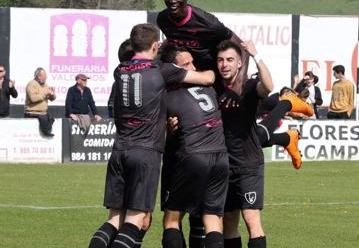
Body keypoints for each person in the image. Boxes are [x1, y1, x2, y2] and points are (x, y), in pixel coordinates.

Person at [88, 23, 215, 248]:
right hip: (145, 152)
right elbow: (206, 80)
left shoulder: (120, 70)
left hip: (119, 151)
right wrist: (210, 68)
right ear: (155, 45)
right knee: (135, 220)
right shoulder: (161, 70)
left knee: (114, 219)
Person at [216, 40, 311, 248]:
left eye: (230, 60)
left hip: (248, 163)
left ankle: (288, 107)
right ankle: (288, 129)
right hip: (224, 164)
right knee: (229, 223)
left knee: (251, 220)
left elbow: (268, 85)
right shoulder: (214, 87)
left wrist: (256, 55)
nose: (225, 64)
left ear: (240, 63)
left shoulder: (248, 87)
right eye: (221, 60)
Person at [159, 45, 229, 248]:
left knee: (172, 219)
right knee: (213, 219)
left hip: (192, 156)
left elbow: (160, 135)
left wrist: (168, 130)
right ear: (175, 69)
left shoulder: (166, 93)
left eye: (192, 62)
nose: (192, 67)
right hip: (220, 157)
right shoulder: (208, 86)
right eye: (186, 64)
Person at [156, 0, 249, 97]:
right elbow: (175, 40)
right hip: (188, 76)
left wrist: (238, 84)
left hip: (213, 77)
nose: (173, 1)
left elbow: (243, 48)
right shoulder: (162, 19)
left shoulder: (209, 23)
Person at [24, 67, 56, 136]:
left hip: (43, 113)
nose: (45, 79)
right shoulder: (31, 84)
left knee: (51, 118)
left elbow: (52, 99)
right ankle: (46, 132)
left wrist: (52, 94)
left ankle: (47, 131)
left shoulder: (45, 85)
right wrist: (45, 93)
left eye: (46, 77)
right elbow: (33, 98)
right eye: (44, 77)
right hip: (33, 112)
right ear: (39, 76)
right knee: (44, 119)